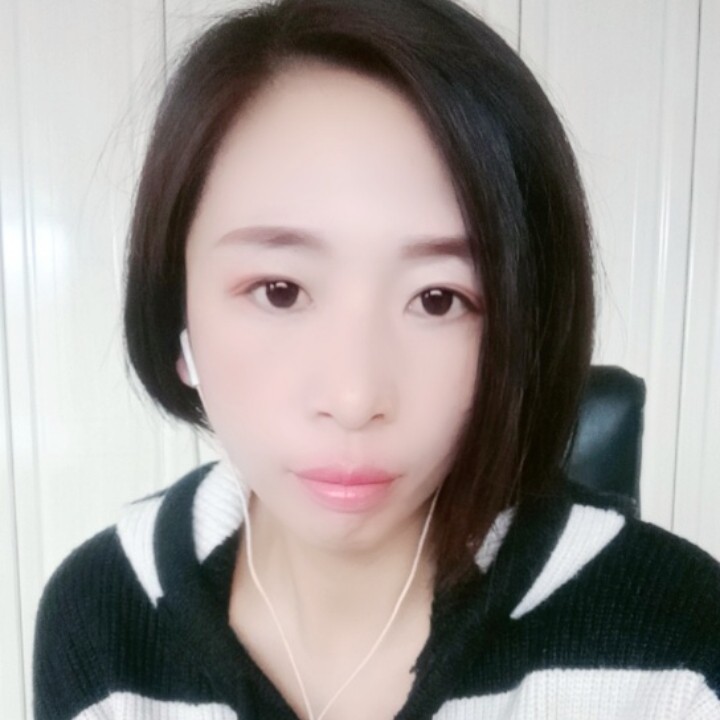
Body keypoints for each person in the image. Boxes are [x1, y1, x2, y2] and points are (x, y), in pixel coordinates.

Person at [32, 0, 720, 718]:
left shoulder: (676, 650)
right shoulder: (106, 616)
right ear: (175, 312)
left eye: (438, 300)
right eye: (280, 290)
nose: (355, 397)